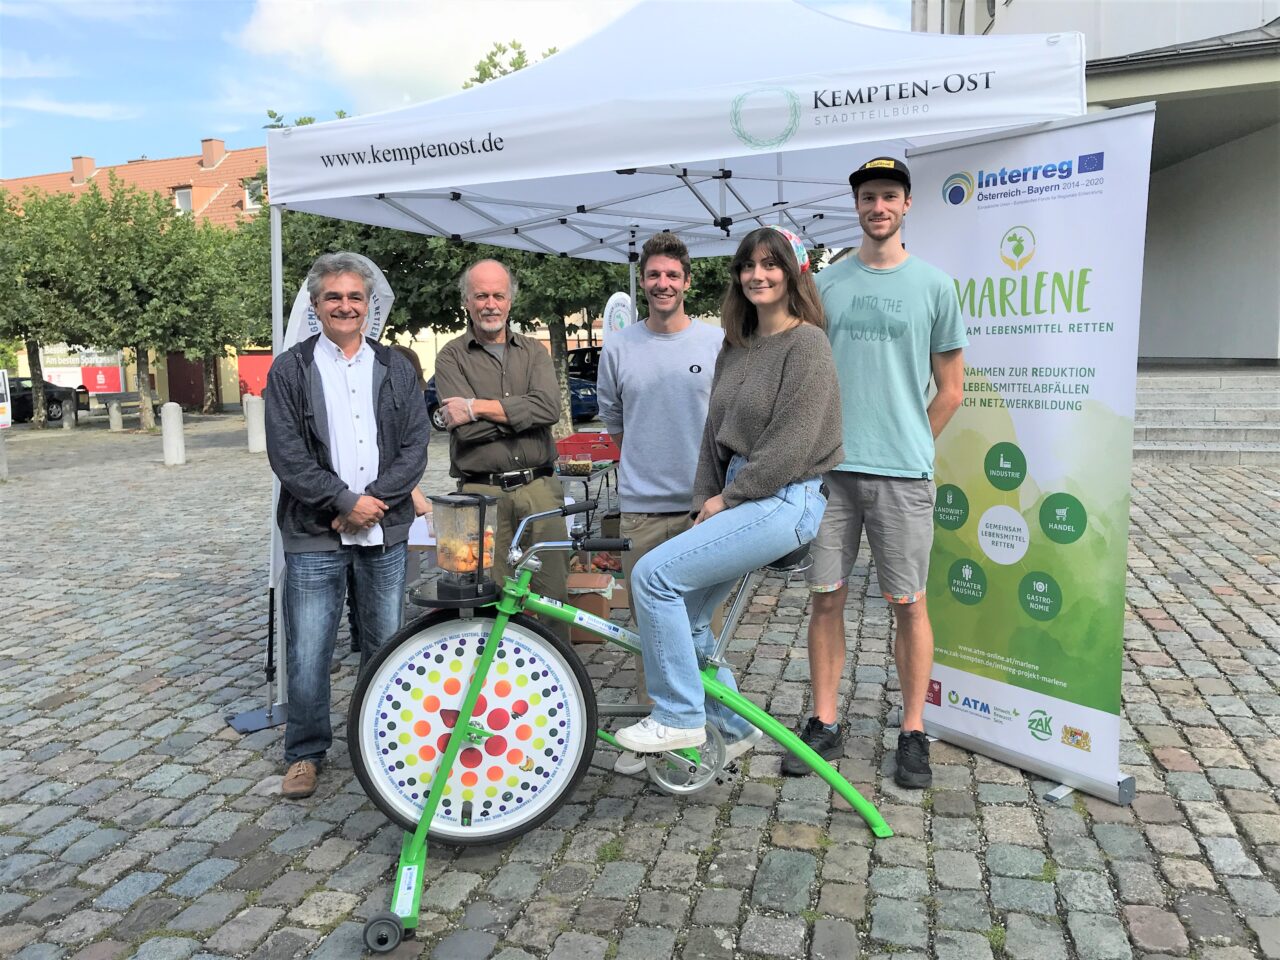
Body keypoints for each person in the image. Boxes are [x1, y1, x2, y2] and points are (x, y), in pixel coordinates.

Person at [614, 226, 842, 763]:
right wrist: (705, 500)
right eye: (748, 265)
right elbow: (712, 439)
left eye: (771, 264)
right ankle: (734, 726)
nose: (757, 275)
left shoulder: (807, 343)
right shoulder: (736, 347)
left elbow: (791, 445)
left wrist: (730, 499)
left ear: (792, 274)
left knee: (653, 576)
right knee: (686, 616)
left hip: (785, 497)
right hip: (743, 490)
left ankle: (678, 716)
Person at [788, 157, 966, 789]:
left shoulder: (936, 287)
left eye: (889, 196)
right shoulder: (827, 286)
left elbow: (950, 389)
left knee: (909, 604)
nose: (878, 206)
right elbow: (805, 371)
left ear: (907, 205)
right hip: (831, 473)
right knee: (825, 598)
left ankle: (913, 731)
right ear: (857, 206)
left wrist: (912, 441)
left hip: (903, 477)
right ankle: (825, 720)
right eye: (868, 197)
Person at [265, 252, 430, 799]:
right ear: (316, 306)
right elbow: (287, 454)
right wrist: (340, 501)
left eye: (354, 297)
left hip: (384, 529)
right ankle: (306, 753)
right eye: (333, 297)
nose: (344, 306)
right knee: (310, 649)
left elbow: (414, 446)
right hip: (315, 530)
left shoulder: (395, 367)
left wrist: (373, 502)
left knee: (384, 643)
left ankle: (379, 739)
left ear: (368, 306)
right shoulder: (290, 369)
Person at [596, 231, 724, 774]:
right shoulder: (620, 347)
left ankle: (713, 726)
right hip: (643, 509)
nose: (663, 283)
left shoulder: (716, 341)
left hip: (704, 510)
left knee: (695, 626)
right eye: (654, 275)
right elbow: (615, 421)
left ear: (687, 282)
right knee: (651, 625)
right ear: (642, 282)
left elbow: (729, 420)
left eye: (673, 275)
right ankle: (663, 727)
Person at [433, 259, 570, 635]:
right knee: (490, 597)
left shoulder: (533, 351)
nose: (490, 304)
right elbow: (465, 434)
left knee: (552, 595)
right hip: (482, 493)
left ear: (510, 301)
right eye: (481, 296)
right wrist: (519, 415)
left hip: (539, 490)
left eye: (498, 295)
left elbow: (548, 408)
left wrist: (477, 407)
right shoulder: (451, 356)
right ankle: (496, 684)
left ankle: (558, 683)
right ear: (467, 301)